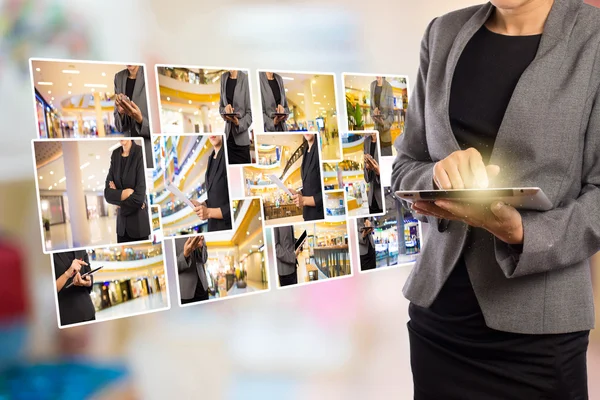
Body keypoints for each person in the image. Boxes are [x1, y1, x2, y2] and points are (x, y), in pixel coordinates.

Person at [391, 0, 600, 398]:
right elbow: (404, 166)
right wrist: (436, 175)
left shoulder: (594, 37)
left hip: (541, 334)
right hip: (440, 322)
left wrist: (524, 232)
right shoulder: (442, 34)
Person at [104, 140, 151, 243]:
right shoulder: (115, 154)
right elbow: (107, 194)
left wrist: (118, 198)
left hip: (138, 227)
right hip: (121, 229)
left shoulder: (140, 152)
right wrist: (127, 193)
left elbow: (139, 197)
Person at [113, 65, 153, 168]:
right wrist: (121, 113)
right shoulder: (119, 77)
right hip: (130, 154)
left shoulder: (150, 74)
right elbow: (119, 127)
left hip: (149, 150)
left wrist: (140, 120)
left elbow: (159, 128)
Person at [191, 135, 232, 232]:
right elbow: (219, 196)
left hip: (227, 228)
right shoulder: (211, 158)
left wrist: (209, 212)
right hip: (213, 227)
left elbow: (236, 202)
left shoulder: (230, 155)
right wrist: (203, 204)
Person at [53, 251, 95, 326]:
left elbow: (89, 274)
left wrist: (87, 282)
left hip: (88, 313)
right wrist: (67, 274)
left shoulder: (81, 248)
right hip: (67, 319)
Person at [219, 70, 252, 164]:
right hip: (227, 140)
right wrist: (225, 110)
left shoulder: (245, 79)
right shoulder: (223, 78)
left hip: (241, 143)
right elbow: (220, 108)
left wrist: (238, 123)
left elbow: (250, 114)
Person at [291, 134, 324, 221]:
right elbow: (311, 185)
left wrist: (304, 200)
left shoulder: (320, 149)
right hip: (308, 214)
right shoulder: (305, 151)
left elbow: (327, 191)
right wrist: (299, 193)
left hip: (320, 214)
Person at [176, 236, 209, 304]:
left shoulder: (198, 232)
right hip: (186, 294)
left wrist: (200, 248)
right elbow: (170, 268)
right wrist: (185, 255)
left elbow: (204, 259)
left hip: (203, 288)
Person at [370, 77, 394, 156]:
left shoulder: (388, 87)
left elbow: (391, 114)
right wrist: (373, 112)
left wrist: (384, 123)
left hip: (385, 135)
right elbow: (371, 109)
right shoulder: (372, 85)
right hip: (375, 134)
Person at [364, 132, 382, 215]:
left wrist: (378, 172)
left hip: (384, 198)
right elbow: (367, 180)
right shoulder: (367, 141)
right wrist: (367, 168)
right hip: (371, 199)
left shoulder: (384, 139)